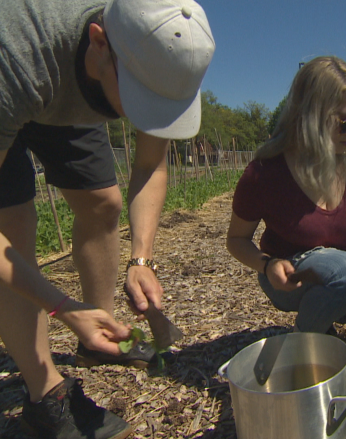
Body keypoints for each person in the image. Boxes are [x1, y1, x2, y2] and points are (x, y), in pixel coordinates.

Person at [0, 0, 215, 437]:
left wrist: (142, 259)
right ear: (99, 42)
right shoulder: (18, 54)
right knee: (14, 222)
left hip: (72, 85)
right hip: (21, 81)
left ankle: (96, 338)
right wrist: (60, 306)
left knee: (102, 203)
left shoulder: (150, 47)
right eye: (142, 100)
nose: (147, 116)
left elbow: (151, 164)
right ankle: (46, 397)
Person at [226, 56, 346, 357]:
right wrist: (266, 264)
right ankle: (302, 346)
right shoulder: (266, 173)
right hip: (291, 277)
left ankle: (332, 310)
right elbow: (236, 240)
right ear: (310, 117)